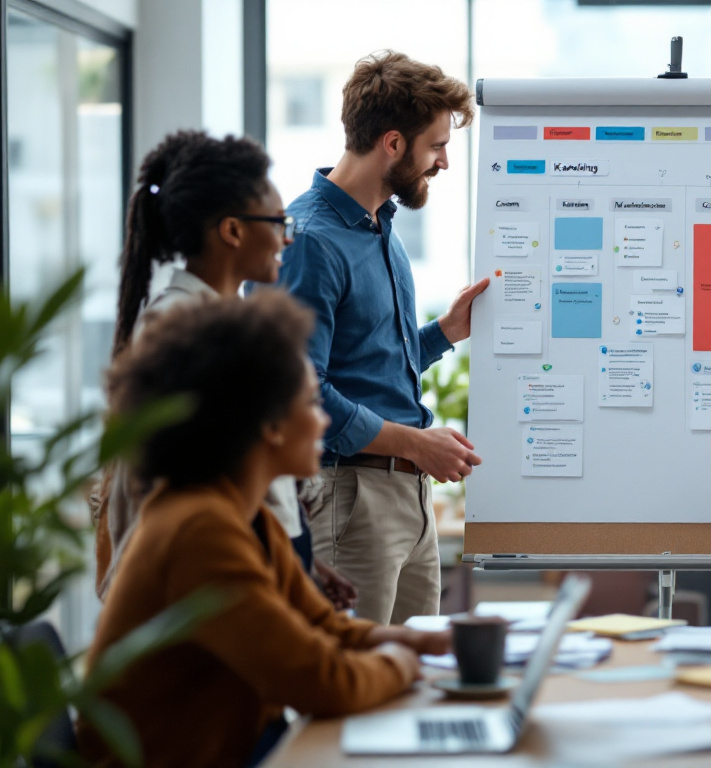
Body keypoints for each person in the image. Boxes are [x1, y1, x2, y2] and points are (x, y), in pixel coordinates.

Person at [78, 292, 448, 768]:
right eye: (312, 403)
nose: (323, 420)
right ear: (271, 426)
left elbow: (325, 628)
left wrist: (427, 642)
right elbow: (322, 680)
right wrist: (405, 663)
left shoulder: (246, 516)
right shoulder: (198, 530)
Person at [94, 130, 354, 609]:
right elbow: (192, 497)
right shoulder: (180, 332)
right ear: (232, 231)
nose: (287, 236)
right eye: (277, 223)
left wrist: (303, 563)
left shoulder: (224, 324)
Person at [276, 51, 488, 624]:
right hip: (349, 500)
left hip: (406, 501)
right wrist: (417, 444)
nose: (442, 162)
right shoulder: (311, 241)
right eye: (436, 145)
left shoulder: (383, 231)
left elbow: (371, 363)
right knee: (354, 684)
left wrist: (444, 333)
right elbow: (301, 394)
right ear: (392, 143)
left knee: (409, 684)